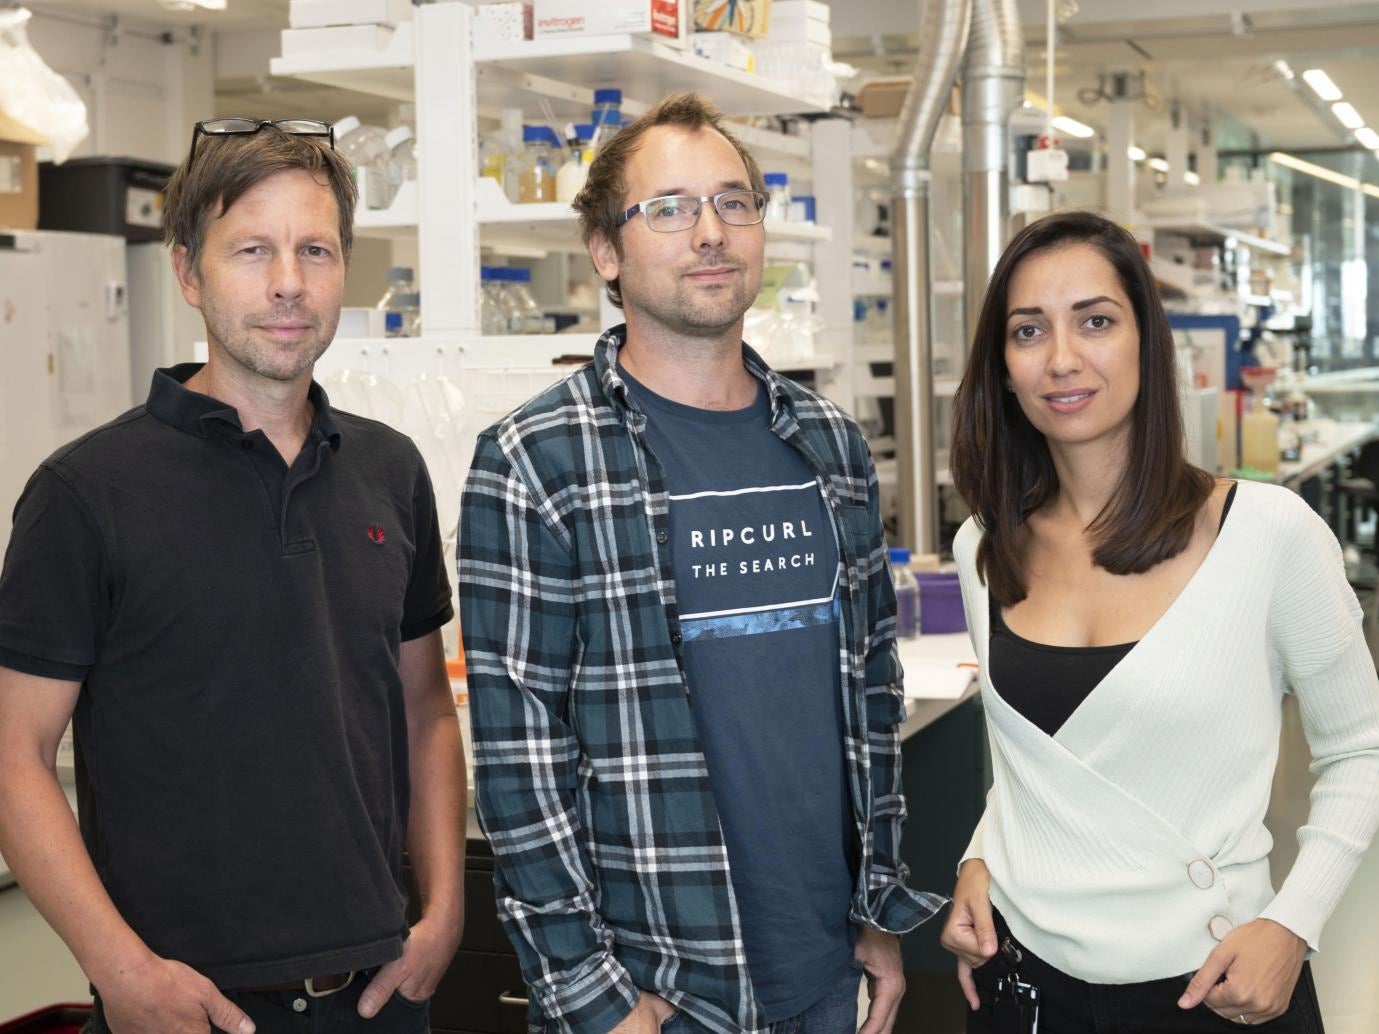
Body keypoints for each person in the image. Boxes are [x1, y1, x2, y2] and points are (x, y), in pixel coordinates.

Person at [458, 92, 943, 1034]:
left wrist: (879, 912)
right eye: (669, 209)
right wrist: (592, 998)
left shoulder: (829, 446)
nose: (711, 233)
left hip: (826, 970)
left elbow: (870, 699)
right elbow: (519, 757)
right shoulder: (536, 459)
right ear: (606, 251)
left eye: (735, 201)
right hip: (659, 988)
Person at [0, 120, 465, 1034]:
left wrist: (444, 912)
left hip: (378, 995)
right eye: (252, 250)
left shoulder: (390, 470)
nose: (288, 282)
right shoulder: (85, 493)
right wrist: (120, 971)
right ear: (187, 272)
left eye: (314, 250)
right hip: (182, 1007)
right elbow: (13, 755)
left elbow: (425, 712)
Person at [940, 209, 1379, 1032]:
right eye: (1028, 330)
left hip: (1208, 984)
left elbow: (1361, 748)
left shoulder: (1266, 533)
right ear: (1001, 365)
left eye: (1095, 322)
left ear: (1147, 340)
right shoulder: (982, 549)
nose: (1061, 359)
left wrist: (1293, 922)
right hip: (1019, 982)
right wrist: (978, 852)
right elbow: (1035, 762)